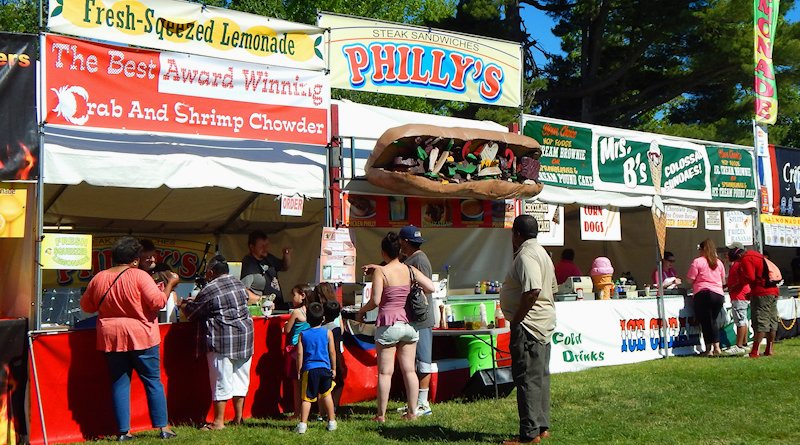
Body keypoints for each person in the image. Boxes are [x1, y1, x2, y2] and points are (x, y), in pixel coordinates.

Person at [79, 236, 178, 441]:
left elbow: (87, 307)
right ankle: (163, 427)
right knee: (152, 381)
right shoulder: (140, 276)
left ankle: (124, 431)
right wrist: (170, 284)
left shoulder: (99, 278)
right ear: (135, 259)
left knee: (119, 383)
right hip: (142, 334)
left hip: (110, 336)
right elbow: (158, 302)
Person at [357, 232, 435, 422]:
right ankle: (413, 412)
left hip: (388, 324)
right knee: (410, 370)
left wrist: (361, 311)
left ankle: (381, 415)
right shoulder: (409, 270)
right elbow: (431, 287)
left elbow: (375, 300)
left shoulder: (381, 272)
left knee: (385, 372)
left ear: (383, 253)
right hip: (409, 325)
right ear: (400, 251)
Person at [179, 255, 254, 431]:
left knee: (221, 380)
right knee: (241, 379)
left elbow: (193, 314)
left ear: (211, 273)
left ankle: (218, 422)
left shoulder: (209, 289)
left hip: (222, 338)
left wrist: (183, 305)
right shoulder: (238, 283)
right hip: (245, 336)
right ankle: (238, 418)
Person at [500, 215, 557, 445]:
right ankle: (541, 427)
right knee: (540, 377)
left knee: (526, 379)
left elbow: (533, 290)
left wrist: (516, 319)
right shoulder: (543, 252)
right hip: (542, 323)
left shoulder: (526, 254)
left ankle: (529, 434)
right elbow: (552, 287)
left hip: (530, 325)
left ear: (517, 234)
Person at [397, 225, 435, 416]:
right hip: (415, 317)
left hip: (421, 318)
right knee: (414, 362)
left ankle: (423, 403)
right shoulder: (412, 259)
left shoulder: (418, 260)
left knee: (423, 361)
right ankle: (415, 402)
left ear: (405, 241)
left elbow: (424, 288)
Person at [295, 302, 337, 434]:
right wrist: (334, 368)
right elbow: (332, 352)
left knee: (307, 398)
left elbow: (300, 354)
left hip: (310, 369)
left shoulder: (303, 334)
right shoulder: (328, 333)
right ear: (323, 318)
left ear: (307, 319)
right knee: (327, 395)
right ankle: (332, 422)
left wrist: (299, 369)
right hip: (325, 368)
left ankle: (302, 425)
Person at [737, 246, 780, 357]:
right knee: (771, 321)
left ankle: (754, 352)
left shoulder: (747, 258)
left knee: (760, 321)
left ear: (738, 254)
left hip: (761, 292)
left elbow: (750, 277)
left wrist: (740, 279)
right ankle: (769, 350)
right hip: (773, 290)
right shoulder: (757, 255)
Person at [686, 239, 726, 356]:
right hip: (718, 294)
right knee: (713, 321)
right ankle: (717, 347)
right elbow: (722, 280)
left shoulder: (698, 262)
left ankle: (709, 349)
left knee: (705, 322)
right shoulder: (719, 263)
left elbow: (690, 279)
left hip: (703, 293)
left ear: (702, 250)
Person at [240, 230, 292, 310]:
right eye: (262, 246)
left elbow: (284, 267)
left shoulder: (268, 257)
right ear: (252, 247)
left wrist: (286, 256)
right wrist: (263, 300)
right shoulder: (248, 264)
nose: (266, 248)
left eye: (267, 245)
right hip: (263, 309)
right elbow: (243, 292)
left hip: (277, 304)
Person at [284, 284, 312, 417]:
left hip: (295, 349)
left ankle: (297, 412)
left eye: (294, 295)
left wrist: (285, 325)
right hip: (309, 348)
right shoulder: (312, 311)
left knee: (297, 383)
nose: (292, 298)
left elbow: (287, 330)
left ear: (302, 295)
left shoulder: (296, 312)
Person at [725, 244, 750, 355]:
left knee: (740, 320)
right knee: (743, 320)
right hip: (740, 295)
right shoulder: (737, 265)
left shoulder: (738, 265)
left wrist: (732, 287)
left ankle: (739, 345)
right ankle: (744, 343)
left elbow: (743, 280)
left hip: (739, 296)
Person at [322, 300, 346, 410]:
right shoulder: (335, 329)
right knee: (339, 384)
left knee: (322, 387)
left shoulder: (320, 327)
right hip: (332, 362)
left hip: (321, 360)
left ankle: (321, 411)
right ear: (337, 315)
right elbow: (336, 349)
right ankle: (334, 406)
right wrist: (339, 365)